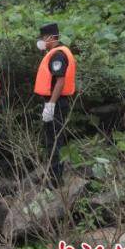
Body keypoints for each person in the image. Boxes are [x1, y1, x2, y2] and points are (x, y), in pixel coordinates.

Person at [34, 23, 77, 187]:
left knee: (54, 140)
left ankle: (55, 180)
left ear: (50, 38)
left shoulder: (58, 54)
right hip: (56, 101)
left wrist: (51, 104)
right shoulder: (58, 52)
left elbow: (60, 80)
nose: (41, 41)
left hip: (56, 102)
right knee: (54, 138)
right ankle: (54, 176)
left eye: (43, 38)